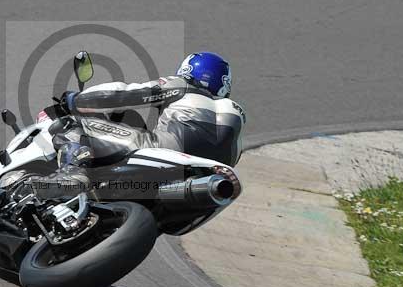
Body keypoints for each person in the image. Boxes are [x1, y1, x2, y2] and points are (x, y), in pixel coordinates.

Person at [30, 52, 246, 199]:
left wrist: (75, 100)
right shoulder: (234, 111)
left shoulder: (183, 86)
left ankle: (72, 173)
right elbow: (234, 157)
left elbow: (125, 94)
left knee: (71, 124)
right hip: (205, 177)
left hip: (167, 149)